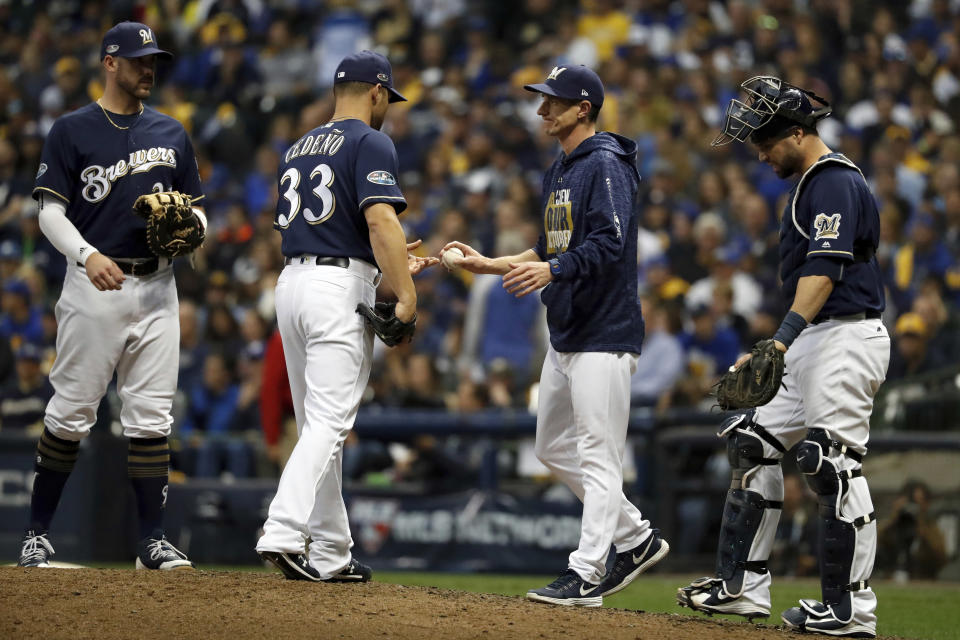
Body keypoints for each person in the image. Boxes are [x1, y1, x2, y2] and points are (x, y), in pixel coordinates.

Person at [442, 64, 668, 607]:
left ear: (583, 108)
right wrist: (491, 265)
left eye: (553, 102)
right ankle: (634, 537)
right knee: (549, 446)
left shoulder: (607, 164)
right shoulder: (561, 168)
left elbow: (610, 243)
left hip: (604, 330)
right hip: (567, 332)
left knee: (598, 453)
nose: (542, 110)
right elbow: (551, 248)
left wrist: (554, 270)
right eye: (543, 100)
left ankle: (588, 569)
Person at [677, 76, 890, 639]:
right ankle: (742, 589)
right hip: (814, 337)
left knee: (829, 461)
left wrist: (779, 339)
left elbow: (824, 272)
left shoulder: (833, 181)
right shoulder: (807, 185)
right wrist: (789, 339)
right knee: (752, 442)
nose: (760, 151)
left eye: (767, 141)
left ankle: (850, 610)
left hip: (846, 335)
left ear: (799, 132)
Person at [17, 22, 205, 570]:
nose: (149, 68)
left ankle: (151, 541)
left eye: (154, 61)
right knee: (72, 412)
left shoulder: (173, 132)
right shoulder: (72, 129)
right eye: (139, 59)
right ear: (110, 62)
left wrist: (193, 225)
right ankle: (36, 535)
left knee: (151, 418)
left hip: (158, 286)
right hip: (94, 286)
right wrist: (86, 255)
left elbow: (197, 211)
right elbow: (48, 210)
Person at [255, 51, 437, 583]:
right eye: (388, 98)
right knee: (332, 421)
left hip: (293, 284)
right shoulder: (370, 140)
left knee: (319, 423)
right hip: (335, 288)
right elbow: (380, 221)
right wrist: (405, 292)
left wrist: (396, 264)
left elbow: (338, 232)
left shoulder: (298, 145)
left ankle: (332, 550)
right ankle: (284, 529)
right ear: (377, 92)